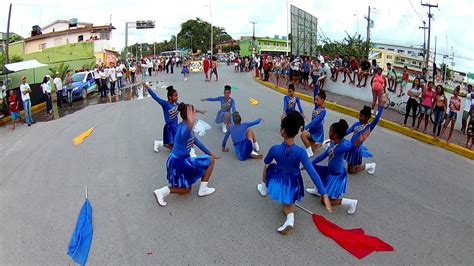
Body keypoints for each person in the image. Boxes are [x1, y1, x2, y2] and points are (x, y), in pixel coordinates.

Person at [256, 111, 332, 235]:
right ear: (296, 132)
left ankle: (264, 188)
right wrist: (324, 193)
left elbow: (266, 161)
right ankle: (289, 218)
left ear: (282, 131)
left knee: (269, 166)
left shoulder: (275, 149)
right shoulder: (301, 152)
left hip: (280, 183)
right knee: (287, 204)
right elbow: (312, 173)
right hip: (294, 185)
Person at [153, 103, 220, 207]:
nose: (195, 113)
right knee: (210, 161)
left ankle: (163, 191)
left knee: (187, 189)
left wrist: (210, 153)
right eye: (193, 112)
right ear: (189, 116)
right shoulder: (185, 129)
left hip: (176, 161)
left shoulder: (185, 126)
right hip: (180, 163)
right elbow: (186, 133)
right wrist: (191, 122)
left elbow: (197, 141)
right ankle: (203, 189)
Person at [307, 119, 358, 214]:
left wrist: (358, 141)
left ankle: (351, 202)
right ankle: (317, 190)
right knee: (316, 172)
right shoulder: (333, 143)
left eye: (330, 131)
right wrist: (311, 163)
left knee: (324, 201)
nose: (328, 132)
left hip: (336, 176)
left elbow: (351, 148)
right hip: (330, 171)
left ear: (335, 135)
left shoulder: (342, 145)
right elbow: (324, 155)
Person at [345, 105, 384, 175]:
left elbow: (376, 119)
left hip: (356, 149)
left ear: (367, 118)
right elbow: (347, 131)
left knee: (351, 171)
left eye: (361, 116)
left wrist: (381, 106)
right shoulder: (357, 124)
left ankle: (370, 166)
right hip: (351, 146)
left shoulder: (369, 127)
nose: (359, 117)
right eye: (359, 115)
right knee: (349, 168)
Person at [301, 91, 327, 158]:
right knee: (312, 147)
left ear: (322, 100)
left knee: (303, 136)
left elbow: (315, 121)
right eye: (315, 99)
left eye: (317, 100)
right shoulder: (316, 106)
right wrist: (317, 83)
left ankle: (310, 153)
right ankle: (320, 144)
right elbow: (315, 94)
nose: (315, 101)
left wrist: (306, 127)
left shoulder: (323, 111)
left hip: (317, 131)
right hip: (312, 129)